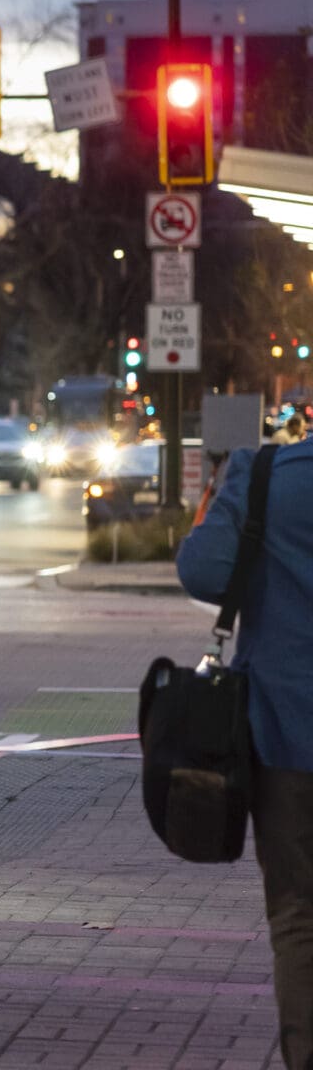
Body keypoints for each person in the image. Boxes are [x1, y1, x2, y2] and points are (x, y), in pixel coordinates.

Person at [178, 443, 313, 1066]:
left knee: (298, 915)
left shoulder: (267, 477)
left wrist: (227, 494)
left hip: (287, 736)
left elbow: (203, 570)